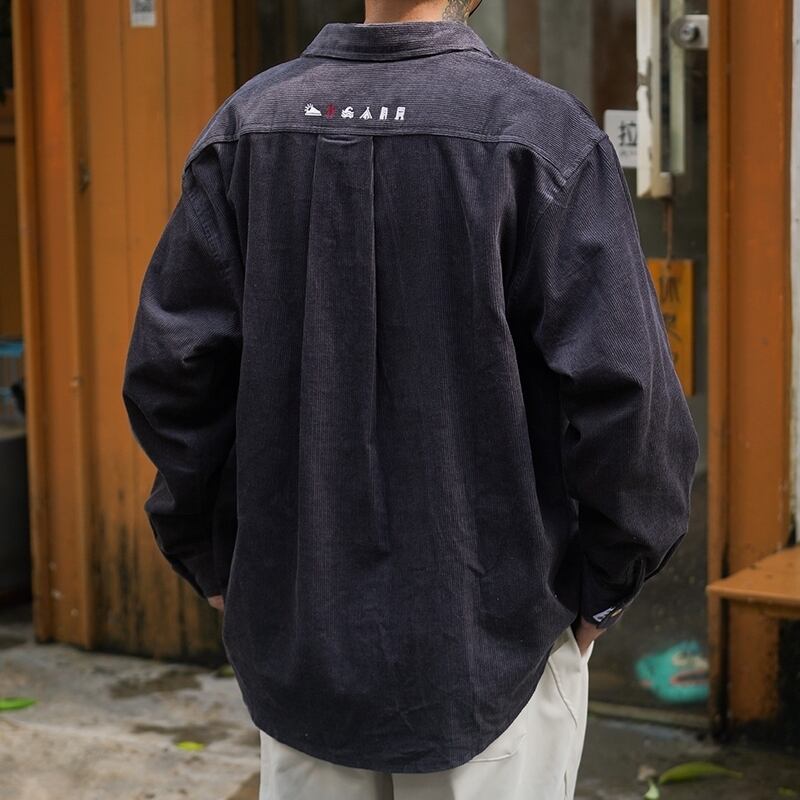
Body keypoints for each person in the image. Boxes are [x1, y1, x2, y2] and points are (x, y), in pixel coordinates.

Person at [121, 1, 700, 797]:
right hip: (494, 651)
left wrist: (218, 562)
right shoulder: (540, 135)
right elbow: (631, 410)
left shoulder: (249, 127)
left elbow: (171, 377)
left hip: (302, 647)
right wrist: (602, 592)